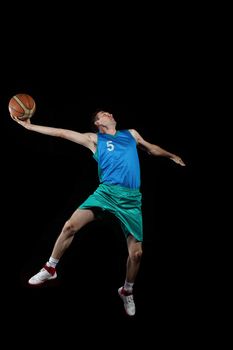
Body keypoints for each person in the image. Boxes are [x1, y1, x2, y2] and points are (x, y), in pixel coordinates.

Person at [11, 110, 186, 316]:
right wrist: (29, 126)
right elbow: (61, 133)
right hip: (106, 193)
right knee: (69, 226)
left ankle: (126, 290)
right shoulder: (94, 139)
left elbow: (151, 149)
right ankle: (50, 269)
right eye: (104, 113)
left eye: (109, 112)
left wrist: (172, 155)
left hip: (130, 200)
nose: (109, 113)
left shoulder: (131, 133)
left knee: (136, 254)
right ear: (97, 122)